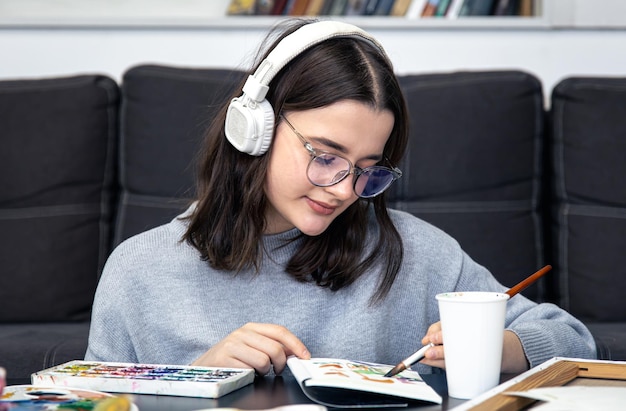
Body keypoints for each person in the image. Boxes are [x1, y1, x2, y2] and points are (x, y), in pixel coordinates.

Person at [85, 19, 596, 377]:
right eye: (325, 155)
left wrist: (498, 349)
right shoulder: (138, 271)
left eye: (368, 170)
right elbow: (89, 400)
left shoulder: (416, 254)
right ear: (254, 128)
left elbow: (573, 340)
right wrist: (196, 381)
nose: (345, 190)